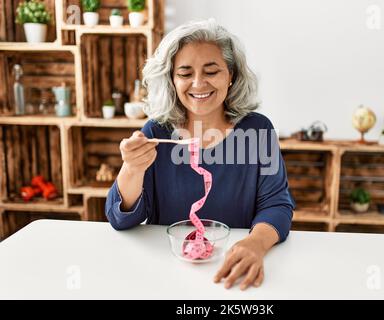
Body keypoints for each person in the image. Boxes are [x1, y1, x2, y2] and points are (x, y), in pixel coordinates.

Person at [105, 19, 294, 290]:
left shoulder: (257, 129)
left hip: (234, 271)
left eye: (211, 71)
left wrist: (255, 244)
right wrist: (132, 169)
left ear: (231, 75)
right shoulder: (157, 131)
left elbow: (276, 205)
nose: (198, 83)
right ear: (171, 79)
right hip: (169, 272)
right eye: (184, 73)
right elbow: (120, 219)